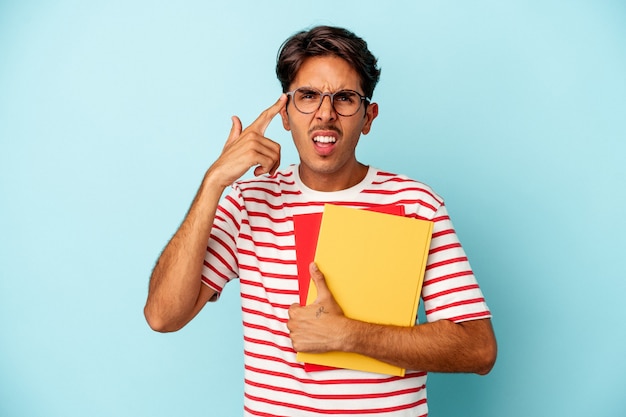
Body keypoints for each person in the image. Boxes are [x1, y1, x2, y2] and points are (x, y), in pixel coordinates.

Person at [144, 25, 497, 416]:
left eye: (345, 98)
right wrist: (214, 183)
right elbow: (162, 316)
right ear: (285, 113)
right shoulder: (248, 203)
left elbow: (478, 349)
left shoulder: (416, 204)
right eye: (308, 96)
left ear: (368, 116)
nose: (325, 114)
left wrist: (348, 334)